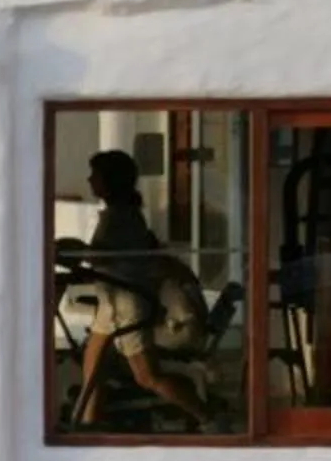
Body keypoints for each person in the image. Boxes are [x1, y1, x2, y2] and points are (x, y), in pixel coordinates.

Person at [60, 151, 215, 427]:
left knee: (147, 376)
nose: (89, 179)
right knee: (92, 368)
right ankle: (86, 425)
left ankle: (207, 417)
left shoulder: (121, 216)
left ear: (109, 181)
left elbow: (104, 256)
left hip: (126, 305)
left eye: (94, 175)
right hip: (111, 305)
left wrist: (75, 249)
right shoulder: (118, 213)